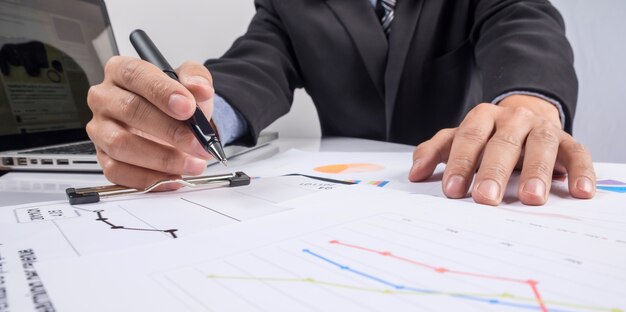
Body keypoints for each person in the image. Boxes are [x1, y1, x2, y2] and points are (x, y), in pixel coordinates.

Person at [86, 0, 596, 206]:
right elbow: (254, 66)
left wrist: (529, 103)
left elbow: (525, 23)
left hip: (458, 190)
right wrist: (185, 115)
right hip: (345, 197)